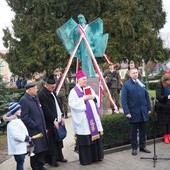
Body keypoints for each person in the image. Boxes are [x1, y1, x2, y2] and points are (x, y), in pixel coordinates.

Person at [68, 70, 104, 165]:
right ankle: (86, 160)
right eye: (83, 79)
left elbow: (96, 98)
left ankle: (96, 157)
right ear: (78, 80)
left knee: (95, 138)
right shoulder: (73, 92)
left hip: (92, 119)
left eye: (86, 79)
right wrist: (83, 99)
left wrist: (94, 97)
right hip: (83, 120)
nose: (85, 81)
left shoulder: (89, 88)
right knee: (86, 140)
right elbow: (73, 104)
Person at [38, 75, 67, 167]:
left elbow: (58, 104)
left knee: (59, 140)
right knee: (52, 142)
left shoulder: (53, 92)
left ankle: (60, 157)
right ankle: (52, 160)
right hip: (50, 122)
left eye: (54, 86)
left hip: (57, 119)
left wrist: (62, 115)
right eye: (52, 86)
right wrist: (53, 119)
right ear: (47, 85)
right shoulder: (42, 94)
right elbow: (46, 109)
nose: (53, 88)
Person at [121, 68, 151, 156]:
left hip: (143, 111)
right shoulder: (126, 85)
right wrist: (127, 112)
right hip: (133, 112)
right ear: (130, 74)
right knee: (133, 132)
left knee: (143, 130)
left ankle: (142, 146)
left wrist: (149, 108)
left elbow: (147, 96)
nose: (135, 74)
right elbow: (124, 100)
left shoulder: (141, 82)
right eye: (133, 73)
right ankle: (134, 148)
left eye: (136, 73)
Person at [19, 82, 48, 170]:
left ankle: (40, 165)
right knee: (36, 150)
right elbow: (24, 117)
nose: (37, 90)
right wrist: (34, 124)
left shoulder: (35, 97)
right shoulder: (24, 100)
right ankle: (36, 167)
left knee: (42, 149)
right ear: (29, 90)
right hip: (34, 130)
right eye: (35, 88)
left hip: (41, 128)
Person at [3, 102, 31, 170]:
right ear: (14, 111)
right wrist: (26, 138)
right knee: (20, 164)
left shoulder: (17, 120)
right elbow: (16, 135)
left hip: (20, 147)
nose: (21, 111)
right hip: (17, 148)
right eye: (19, 110)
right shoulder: (12, 123)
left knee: (21, 163)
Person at [155, 74, 170, 143]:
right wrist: (167, 97)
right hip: (162, 107)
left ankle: (169, 135)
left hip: (169, 106)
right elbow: (158, 96)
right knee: (164, 122)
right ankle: (165, 136)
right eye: (168, 81)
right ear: (165, 80)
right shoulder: (159, 85)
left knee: (169, 122)